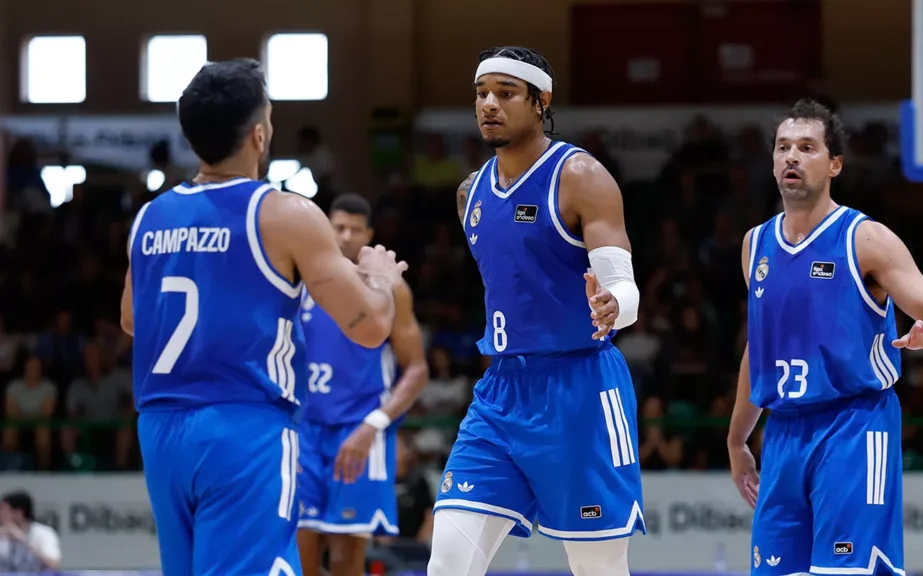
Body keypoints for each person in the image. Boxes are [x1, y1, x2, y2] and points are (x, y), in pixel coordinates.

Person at [120, 58, 407, 576]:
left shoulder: (149, 217)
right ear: (259, 134)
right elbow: (370, 327)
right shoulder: (283, 213)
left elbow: (132, 320)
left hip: (160, 430)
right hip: (242, 427)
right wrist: (381, 277)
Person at [427, 46, 644, 576]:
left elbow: (624, 287)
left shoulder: (581, 175)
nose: (489, 104)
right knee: (448, 562)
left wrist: (614, 304)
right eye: (481, 94)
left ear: (541, 101)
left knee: (597, 569)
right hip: (501, 393)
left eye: (506, 93)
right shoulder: (470, 193)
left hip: (580, 388)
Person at [727, 99, 923, 576]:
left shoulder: (865, 239)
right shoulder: (756, 244)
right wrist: (737, 439)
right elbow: (761, 347)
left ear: (834, 164)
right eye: (783, 147)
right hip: (784, 432)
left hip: (854, 426)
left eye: (807, 147)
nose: (792, 156)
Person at [297, 193, 429, 576]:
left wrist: (375, 424)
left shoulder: (390, 288)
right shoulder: (299, 281)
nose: (346, 236)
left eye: (355, 229)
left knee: (344, 560)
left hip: (359, 431)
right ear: (326, 227)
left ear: (369, 234)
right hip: (304, 430)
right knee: (300, 556)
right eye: (339, 227)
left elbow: (417, 370)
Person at [0, 491, 60, 572]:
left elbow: (54, 565)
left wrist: (24, 541)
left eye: (3, 510)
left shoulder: (43, 534)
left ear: (19, 513)